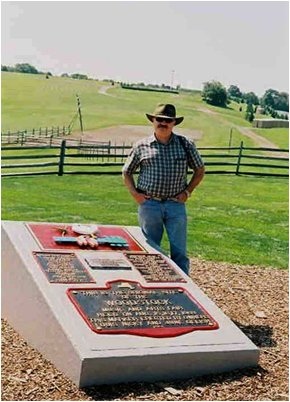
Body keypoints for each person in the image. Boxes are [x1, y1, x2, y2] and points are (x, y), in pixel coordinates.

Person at [122, 103, 205, 275]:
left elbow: (200, 170)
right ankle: (152, 285)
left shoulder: (185, 144)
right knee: (150, 250)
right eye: (159, 119)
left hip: (176, 205)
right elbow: (126, 172)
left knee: (179, 251)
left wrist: (188, 192)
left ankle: (183, 288)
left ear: (174, 123)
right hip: (150, 204)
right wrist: (135, 194)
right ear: (153, 120)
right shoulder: (141, 146)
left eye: (168, 120)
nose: (163, 123)